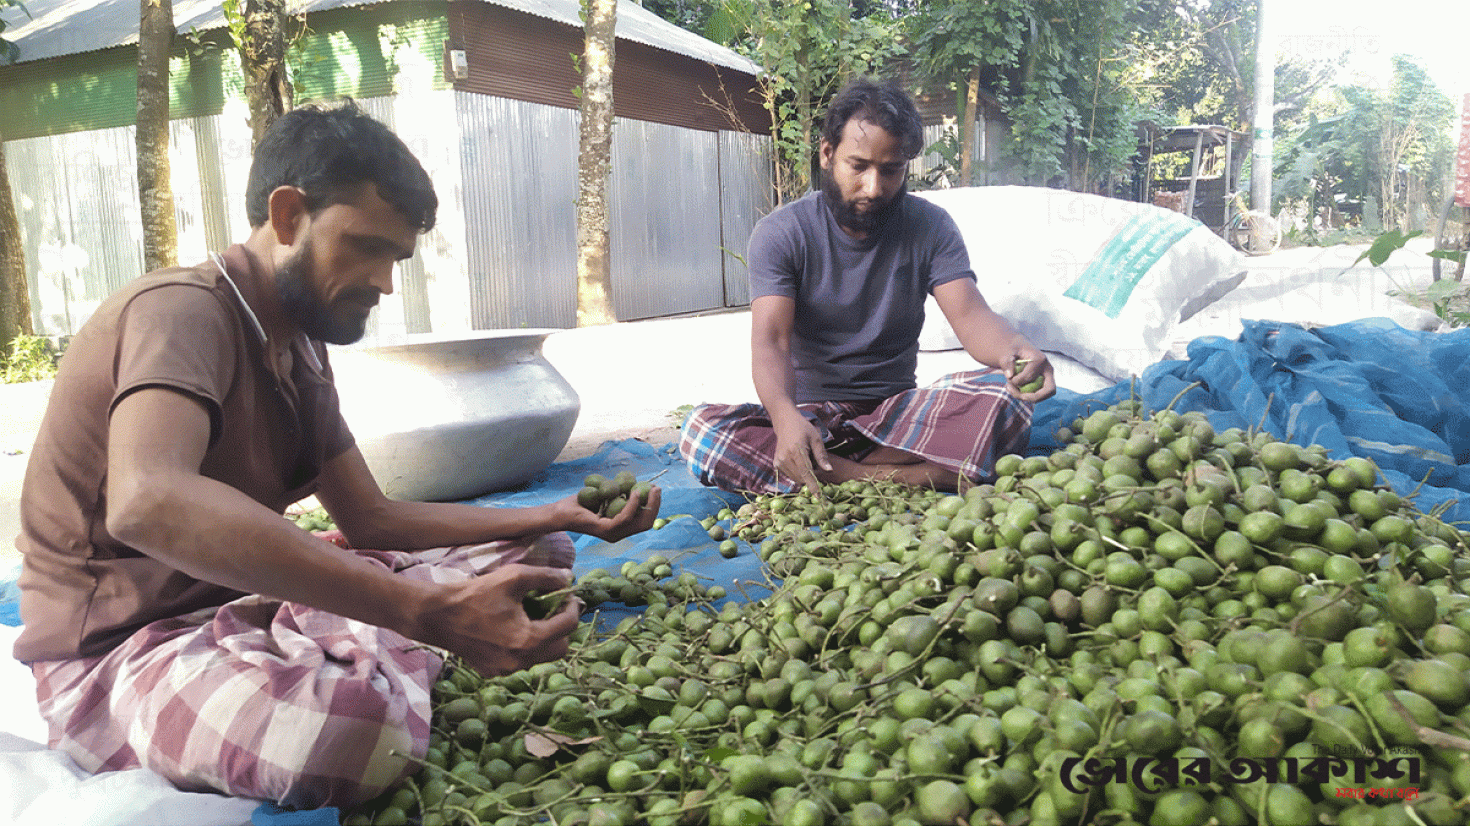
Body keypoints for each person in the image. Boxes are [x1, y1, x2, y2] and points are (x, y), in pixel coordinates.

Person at [10, 101, 660, 809]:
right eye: (365, 246)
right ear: (288, 215)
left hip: (245, 599)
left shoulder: (300, 347)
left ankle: (377, 649)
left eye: (396, 258)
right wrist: (417, 611)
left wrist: (548, 510)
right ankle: (391, 653)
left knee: (541, 553)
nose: (384, 283)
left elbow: (372, 518)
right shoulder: (181, 312)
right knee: (355, 736)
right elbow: (149, 502)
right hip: (122, 654)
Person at [680, 78, 1055, 495]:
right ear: (827, 154)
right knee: (701, 433)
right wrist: (785, 417)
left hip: (895, 413)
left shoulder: (931, 227)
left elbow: (971, 315)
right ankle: (911, 475)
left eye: (890, 170)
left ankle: (832, 473)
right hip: (812, 418)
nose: (873, 187)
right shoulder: (782, 233)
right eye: (858, 166)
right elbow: (772, 342)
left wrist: (1013, 350)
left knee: (1003, 396)